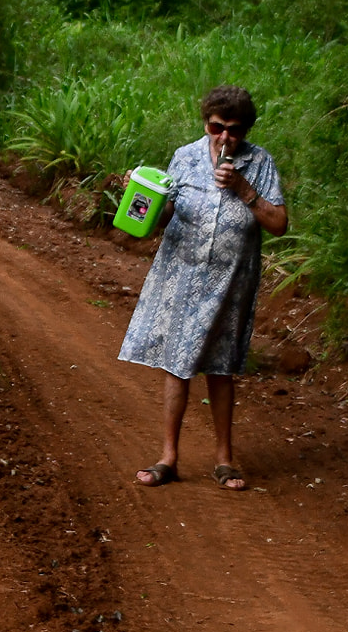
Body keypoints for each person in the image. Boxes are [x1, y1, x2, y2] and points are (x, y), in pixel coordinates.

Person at [118, 84, 287, 490]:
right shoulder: (185, 157)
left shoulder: (260, 163)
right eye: (216, 127)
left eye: (234, 129)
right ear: (206, 123)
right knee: (177, 364)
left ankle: (225, 460)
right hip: (182, 275)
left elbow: (279, 223)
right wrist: (143, 196)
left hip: (231, 280)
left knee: (221, 366)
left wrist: (244, 190)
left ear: (246, 130)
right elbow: (162, 217)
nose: (225, 137)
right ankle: (168, 458)